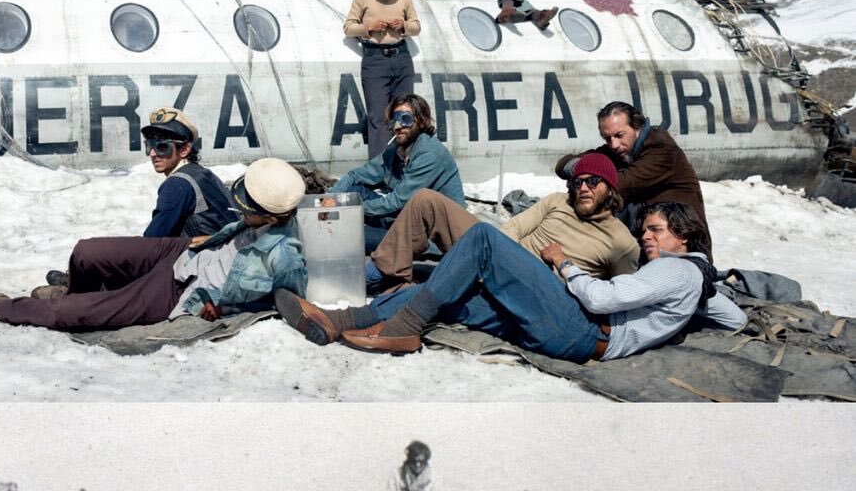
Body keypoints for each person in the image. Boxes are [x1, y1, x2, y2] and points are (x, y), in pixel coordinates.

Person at [275, 201, 745, 359]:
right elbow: (736, 319)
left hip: (583, 328)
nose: (647, 238)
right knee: (456, 296)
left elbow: (603, 299)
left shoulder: (673, 268)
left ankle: (402, 329)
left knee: (480, 238)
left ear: (684, 236)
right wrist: (706, 290)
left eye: (657, 231)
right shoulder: (693, 279)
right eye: (646, 231)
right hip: (574, 337)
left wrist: (564, 263)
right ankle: (342, 320)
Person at [0, 158, 307, 330]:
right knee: (87, 252)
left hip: (181, 289)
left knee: (72, 316)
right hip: (183, 252)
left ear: (272, 217)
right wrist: (208, 240)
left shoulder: (285, 256)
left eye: (249, 205)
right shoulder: (260, 217)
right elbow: (238, 231)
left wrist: (223, 309)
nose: (241, 206)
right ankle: (74, 291)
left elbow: (284, 300)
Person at [365, 152, 638, 293]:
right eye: (578, 182)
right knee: (426, 199)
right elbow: (515, 227)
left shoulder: (621, 242)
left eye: (593, 181)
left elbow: (618, 295)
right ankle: (384, 273)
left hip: (532, 286)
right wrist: (502, 256)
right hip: (500, 256)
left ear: (610, 188)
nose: (583, 188)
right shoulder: (557, 201)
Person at [556, 101, 712, 255]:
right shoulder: (618, 149)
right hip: (647, 240)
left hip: (682, 246)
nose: (614, 144)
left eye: (619, 135)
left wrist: (590, 172)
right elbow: (563, 165)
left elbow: (621, 183)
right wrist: (584, 168)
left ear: (637, 127)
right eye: (607, 138)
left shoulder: (661, 148)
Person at [330, 93, 465, 253]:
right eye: (394, 120)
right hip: (405, 217)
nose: (397, 126)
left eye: (405, 119)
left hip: (431, 232)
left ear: (421, 120)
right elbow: (356, 175)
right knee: (353, 191)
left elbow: (396, 202)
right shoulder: (398, 150)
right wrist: (330, 198)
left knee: (354, 236)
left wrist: (350, 209)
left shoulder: (430, 154)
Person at [343, 0, 421, 159]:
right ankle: (380, 167)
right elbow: (349, 27)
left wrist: (402, 26)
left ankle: (405, 163)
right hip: (375, 59)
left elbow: (416, 26)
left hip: (401, 57)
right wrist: (369, 27)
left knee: (404, 114)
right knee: (378, 116)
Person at [140, 107, 238, 239]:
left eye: (162, 146)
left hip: (205, 257)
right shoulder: (201, 173)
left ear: (184, 150)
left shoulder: (177, 184)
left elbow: (152, 240)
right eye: (149, 146)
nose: (152, 154)